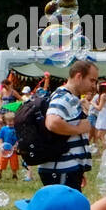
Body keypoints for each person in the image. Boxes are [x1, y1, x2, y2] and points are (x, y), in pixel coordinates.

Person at [37, 60, 98, 190]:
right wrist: (78, 129)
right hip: (61, 169)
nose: (94, 85)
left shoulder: (70, 97)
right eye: (92, 80)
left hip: (67, 168)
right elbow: (52, 122)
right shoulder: (63, 97)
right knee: (64, 209)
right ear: (79, 76)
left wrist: (78, 167)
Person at [0, 111, 20, 181]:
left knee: (14, 163)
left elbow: (18, 139)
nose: (11, 122)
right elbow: (1, 138)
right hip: (4, 149)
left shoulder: (16, 129)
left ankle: (14, 174)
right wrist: (1, 145)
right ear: (5, 121)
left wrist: (16, 145)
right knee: (2, 162)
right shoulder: (3, 129)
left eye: (12, 121)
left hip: (13, 149)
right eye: (9, 121)